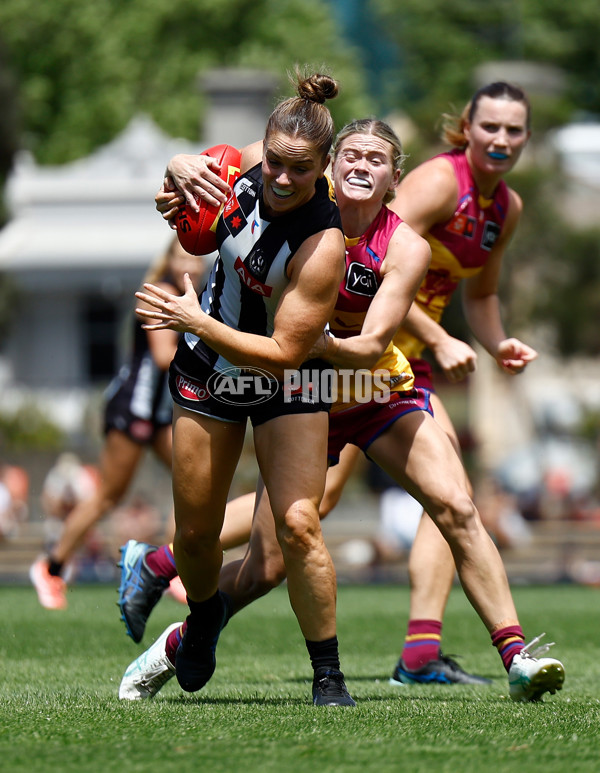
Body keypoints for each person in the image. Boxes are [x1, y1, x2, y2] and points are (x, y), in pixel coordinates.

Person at [119, 112, 565, 705]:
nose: (360, 165)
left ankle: (517, 657)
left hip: (371, 387)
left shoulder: (404, 245)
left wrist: (319, 344)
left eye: (376, 160)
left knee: (456, 504)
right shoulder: (298, 182)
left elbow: (373, 345)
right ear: (331, 164)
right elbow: (238, 157)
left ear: (394, 179)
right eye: (350, 155)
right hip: (300, 388)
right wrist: (178, 166)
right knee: (268, 565)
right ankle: (180, 625)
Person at [126, 70, 359, 708]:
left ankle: (329, 678)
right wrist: (176, 178)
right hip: (209, 369)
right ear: (265, 147)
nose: (283, 179)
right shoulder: (244, 170)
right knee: (195, 537)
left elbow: (285, 354)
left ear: (324, 169)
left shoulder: (323, 243)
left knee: (298, 525)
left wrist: (197, 321)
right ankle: (201, 624)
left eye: (301, 170)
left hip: (285, 376)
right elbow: (192, 180)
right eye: (276, 163)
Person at [29, 237, 207, 610]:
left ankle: (176, 570)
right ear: (169, 260)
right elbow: (162, 356)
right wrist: (219, 345)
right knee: (109, 494)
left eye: (196, 257)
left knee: (191, 485)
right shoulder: (159, 292)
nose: (190, 263)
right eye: (181, 255)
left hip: (157, 413)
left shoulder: (198, 299)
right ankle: (50, 566)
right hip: (132, 408)